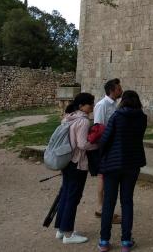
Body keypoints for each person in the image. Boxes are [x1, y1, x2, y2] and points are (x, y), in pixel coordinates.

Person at [97, 90, 147, 252]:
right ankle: (126, 241)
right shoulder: (142, 118)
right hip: (132, 164)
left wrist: (101, 154)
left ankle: (104, 241)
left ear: (123, 101)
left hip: (113, 163)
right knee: (127, 201)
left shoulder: (117, 116)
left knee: (109, 202)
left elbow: (105, 138)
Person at [54, 92, 98, 244]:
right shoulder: (83, 121)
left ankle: (61, 229)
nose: (92, 106)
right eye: (90, 103)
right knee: (73, 197)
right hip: (77, 163)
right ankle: (68, 234)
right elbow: (82, 144)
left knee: (66, 194)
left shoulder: (68, 117)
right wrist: (98, 145)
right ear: (81, 105)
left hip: (66, 161)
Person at [93, 78, 123, 219]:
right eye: (118, 89)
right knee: (102, 176)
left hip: (113, 146)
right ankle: (100, 207)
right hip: (105, 146)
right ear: (112, 90)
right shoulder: (102, 105)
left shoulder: (114, 104)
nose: (120, 90)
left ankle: (104, 207)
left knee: (106, 177)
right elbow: (98, 128)